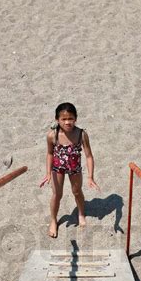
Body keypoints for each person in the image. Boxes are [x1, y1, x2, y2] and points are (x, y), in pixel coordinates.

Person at [40, 102, 99, 238]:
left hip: (75, 168)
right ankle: (54, 220)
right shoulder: (52, 135)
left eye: (70, 118)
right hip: (57, 168)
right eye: (64, 119)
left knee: (77, 192)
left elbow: (89, 156)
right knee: (57, 194)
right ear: (57, 120)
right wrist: (48, 173)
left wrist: (91, 177)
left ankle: (81, 213)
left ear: (76, 118)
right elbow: (49, 154)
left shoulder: (81, 134)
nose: (67, 122)